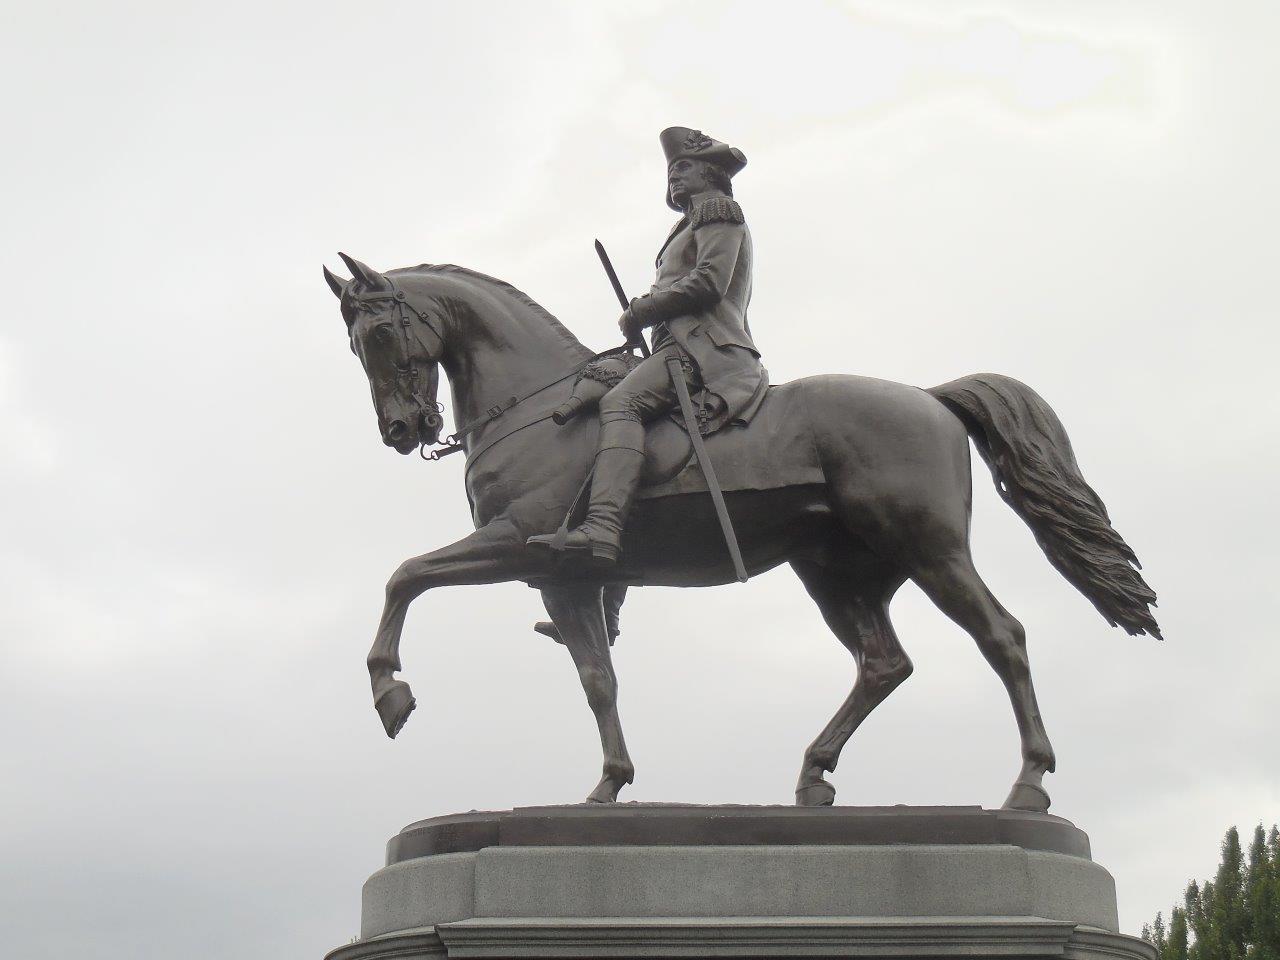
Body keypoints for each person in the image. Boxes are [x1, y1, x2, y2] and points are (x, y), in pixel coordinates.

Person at [527, 127, 768, 564]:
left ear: (711, 172)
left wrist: (644, 309)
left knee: (622, 404)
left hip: (706, 350)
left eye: (684, 167)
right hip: (674, 348)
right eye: (671, 170)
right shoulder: (687, 224)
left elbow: (710, 282)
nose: (674, 176)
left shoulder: (717, 209)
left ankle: (602, 526)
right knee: (596, 382)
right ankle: (607, 587)